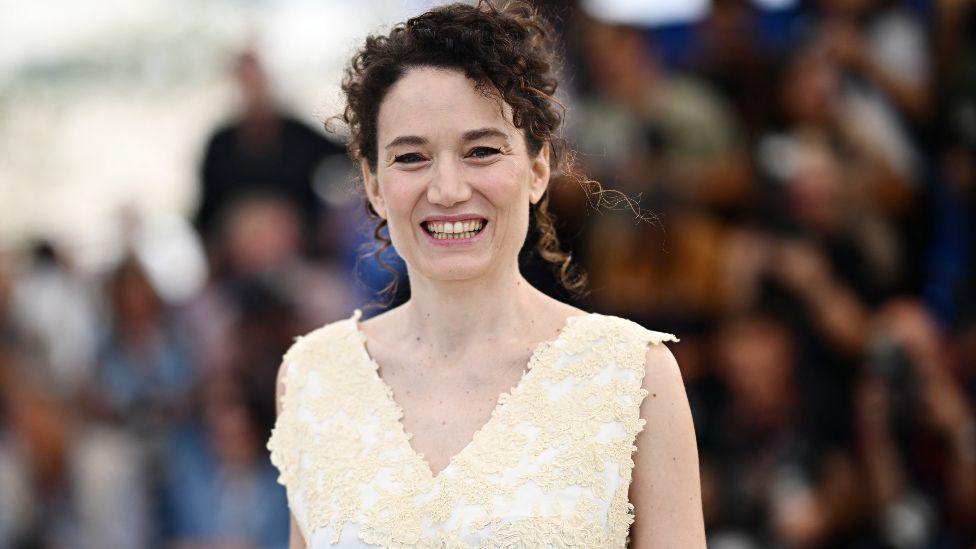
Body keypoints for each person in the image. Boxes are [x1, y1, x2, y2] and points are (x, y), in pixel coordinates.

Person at [266, 2, 705, 547]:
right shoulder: (313, 378)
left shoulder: (634, 377)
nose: (447, 189)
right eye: (410, 158)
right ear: (374, 185)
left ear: (538, 168)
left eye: (481, 151)